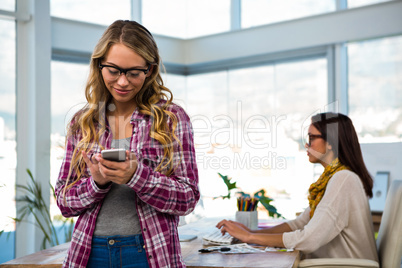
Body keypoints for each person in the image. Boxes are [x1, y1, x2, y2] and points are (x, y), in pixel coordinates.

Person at [55, 20, 200, 268]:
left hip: (148, 252)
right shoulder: (82, 123)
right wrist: (97, 183)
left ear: (150, 71)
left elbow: (187, 198)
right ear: (99, 66)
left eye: (133, 73)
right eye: (113, 70)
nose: (122, 82)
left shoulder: (171, 119)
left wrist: (137, 176)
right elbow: (64, 202)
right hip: (90, 253)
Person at [217, 112, 378, 261]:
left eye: (311, 138)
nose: (307, 145)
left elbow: (309, 239)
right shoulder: (333, 178)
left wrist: (249, 238)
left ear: (331, 142)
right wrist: (250, 232)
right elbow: (299, 224)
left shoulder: (343, 179)